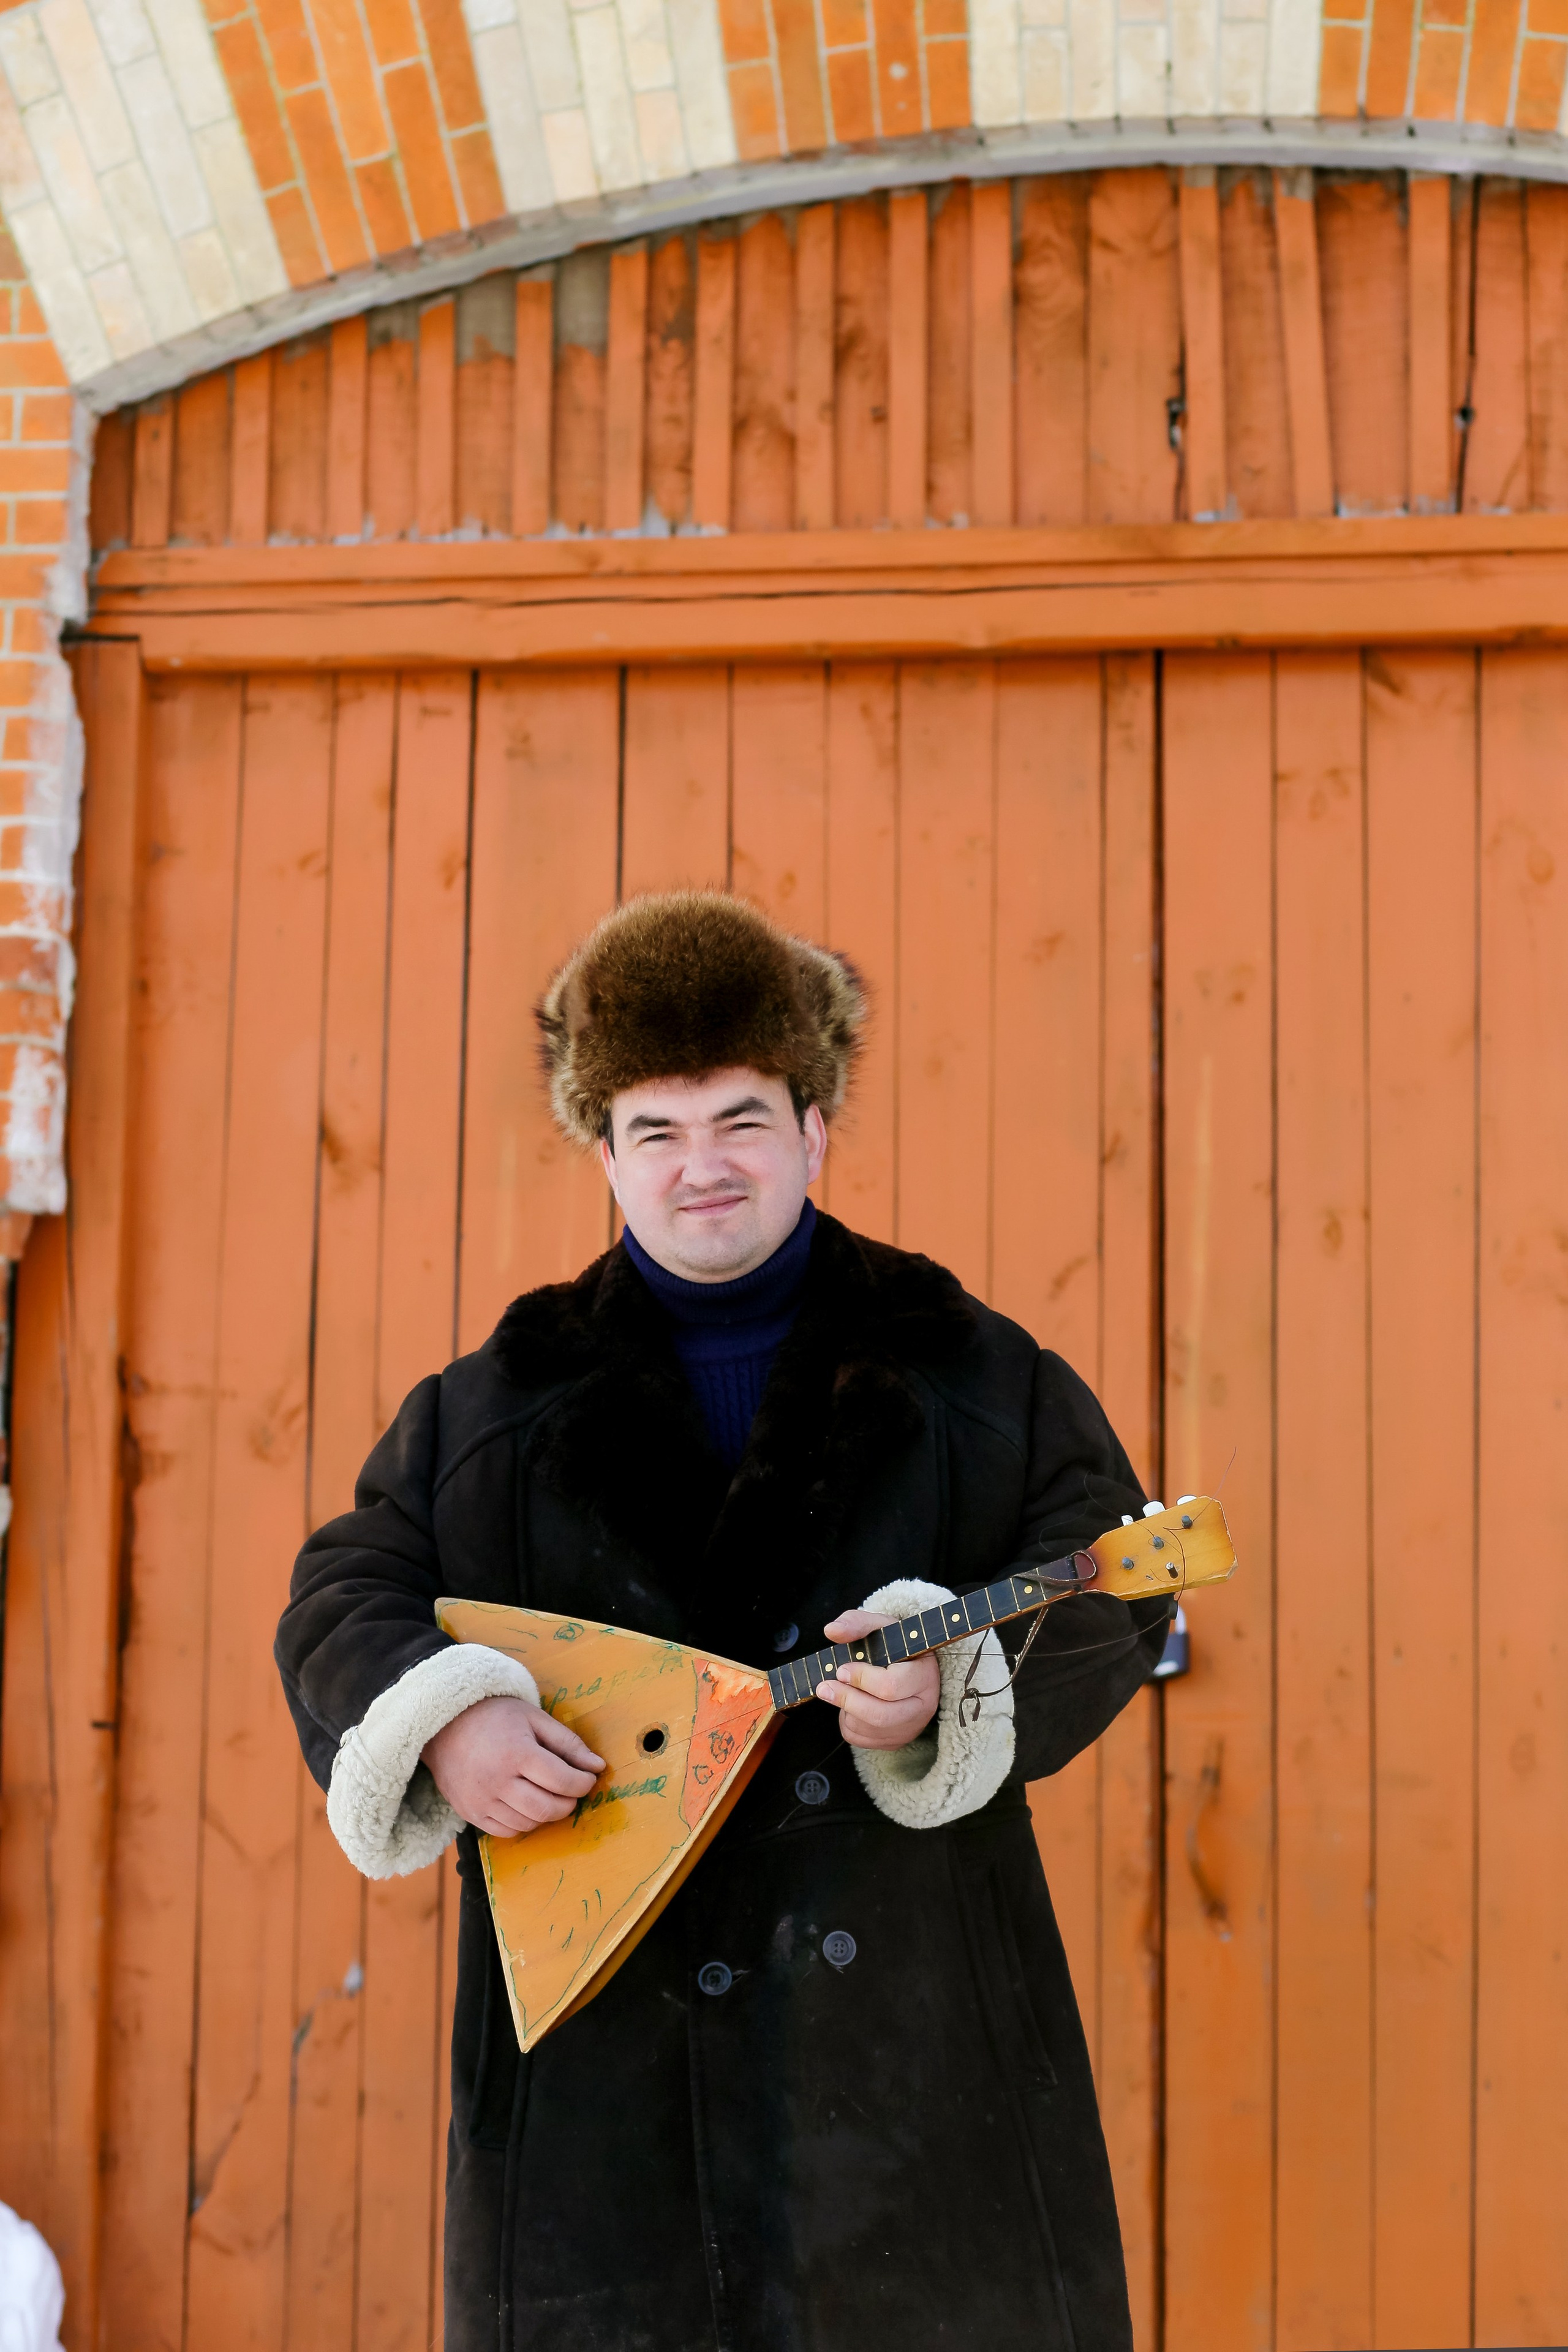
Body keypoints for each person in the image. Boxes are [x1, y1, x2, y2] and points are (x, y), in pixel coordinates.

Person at [275, 890, 1172, 2352]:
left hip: (914, 2070)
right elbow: (343, 1592)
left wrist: (954, 1682)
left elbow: (1113, 1575)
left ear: (814, 1126)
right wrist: (446, 1718)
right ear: (605, 1152)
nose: (702, 1170)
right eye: (657, 1130)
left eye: (741, 1119)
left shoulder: (967, 1367)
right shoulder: (490, 1407)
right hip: (603, 2109)